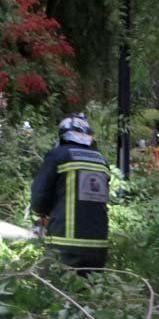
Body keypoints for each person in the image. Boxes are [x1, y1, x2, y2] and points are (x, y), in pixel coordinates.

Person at [31, 113, 110, 273]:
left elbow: (39, 197)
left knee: (59, 293)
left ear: (62, 135)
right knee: (90, 295)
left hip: (65, 246)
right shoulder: (101, 160)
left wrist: (40, 214)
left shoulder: (58, 156)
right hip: (98, 248)